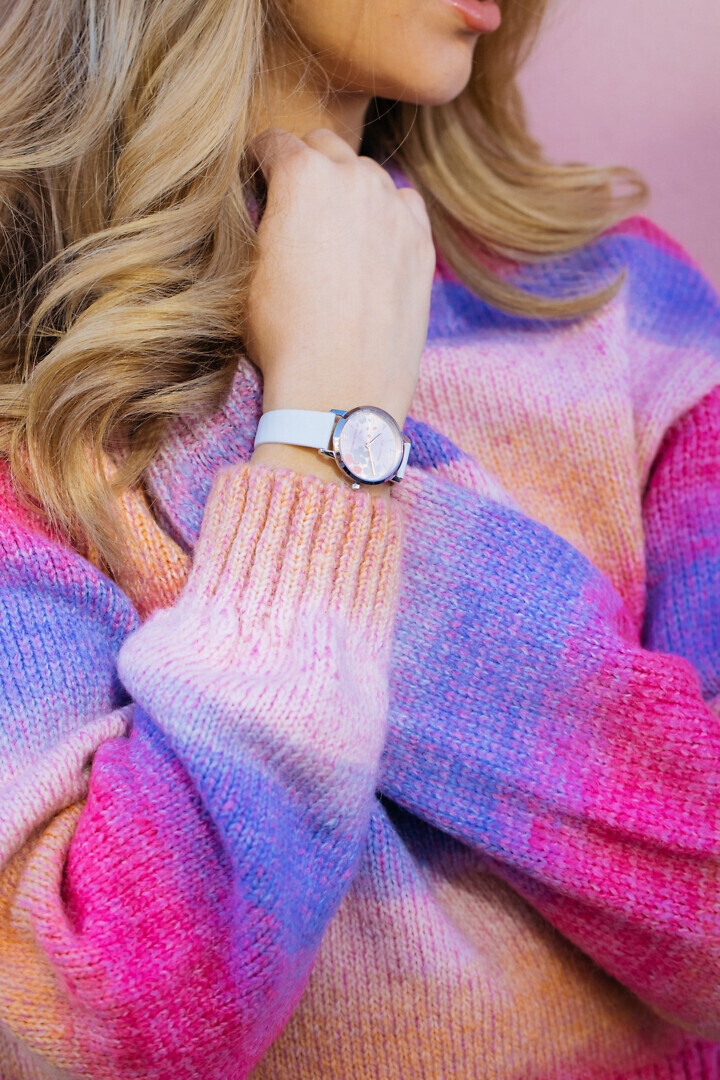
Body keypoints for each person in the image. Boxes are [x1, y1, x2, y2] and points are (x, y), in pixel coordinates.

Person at [0, 0, 718, 1076]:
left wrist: (310, 453)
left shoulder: (629, 306)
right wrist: (326, 410)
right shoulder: (34, 372)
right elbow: (89, 1022)